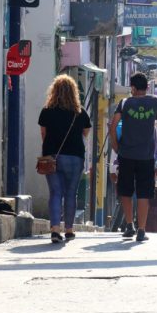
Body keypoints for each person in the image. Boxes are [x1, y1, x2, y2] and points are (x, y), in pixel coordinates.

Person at [38, 75, 91, 243]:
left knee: (55, 192)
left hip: (52, 156)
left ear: (54, 91)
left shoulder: (46, 111)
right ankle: (69, 229)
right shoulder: (80, 112)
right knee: (71, 193)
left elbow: (43, 134)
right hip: (75, 157)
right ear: (74, 92)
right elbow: (85, 134)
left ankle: (54, 229)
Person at [109, 72, 157, 242]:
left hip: (126, 154)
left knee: (125, 190)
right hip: (146, 156)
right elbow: (154, 123)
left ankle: (129, 225)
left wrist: (116, 147)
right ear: (146, 87)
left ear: (132, 87)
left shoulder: (124, 103)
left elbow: (113, 125)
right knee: (144, 193)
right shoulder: (154, 101)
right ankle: (141, 229)